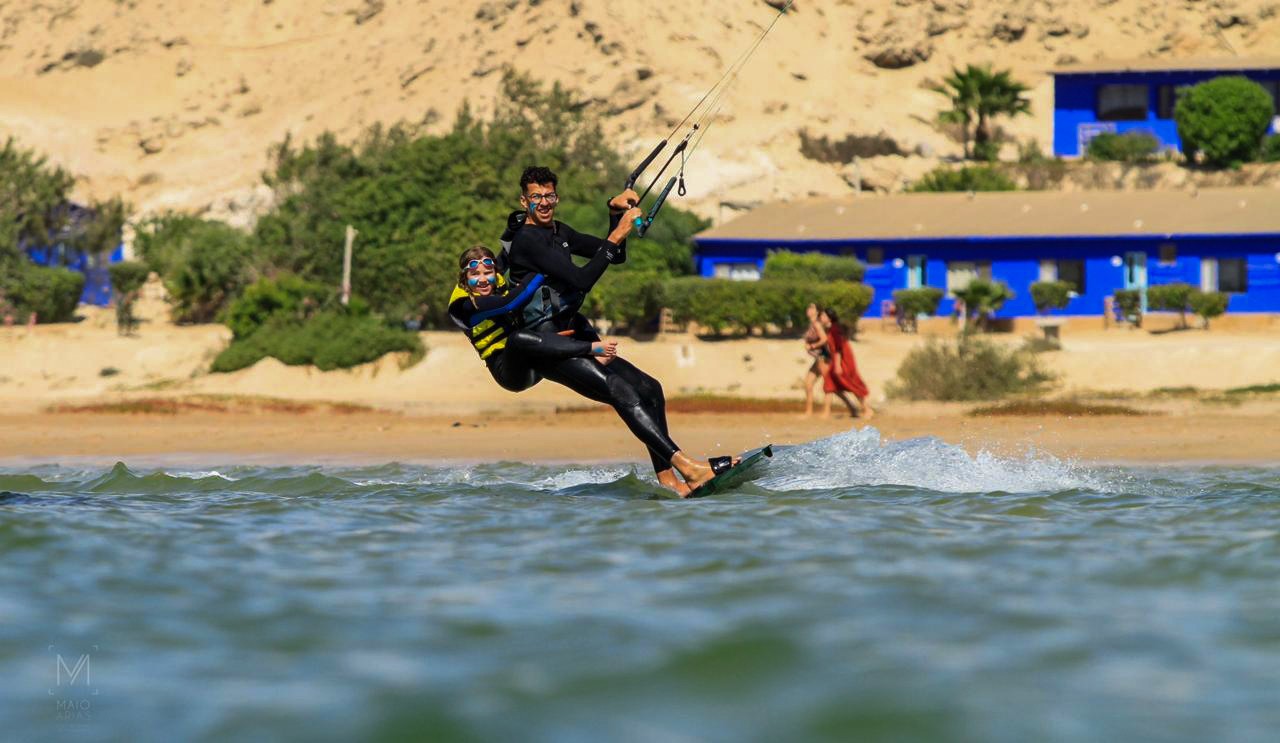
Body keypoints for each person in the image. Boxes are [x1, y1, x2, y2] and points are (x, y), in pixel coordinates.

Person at [504, 165, 732, 495]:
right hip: (548, 343)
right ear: (524, 201)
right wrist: (617, 233)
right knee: (620, 390)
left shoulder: (560, 232)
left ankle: (670, 482)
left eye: (549, 195)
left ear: (557, 196)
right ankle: (689, 468)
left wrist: (614, 215)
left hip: (574, 333)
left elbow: (615, 255)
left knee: (650, 389)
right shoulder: (527, 240)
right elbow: (582, 279)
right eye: (536, 197)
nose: (544, 203)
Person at [448, 246, 618, 392]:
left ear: (495, 272)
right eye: (475, 274)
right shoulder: (467, 306)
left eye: (487, 273)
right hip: (512, 374)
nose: (483, 279)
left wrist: (517, 228)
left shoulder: (493, 280)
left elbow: (508, 251)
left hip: (535, 356)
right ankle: (589, 348)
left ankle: (598, 356)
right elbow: (509, 303)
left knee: (572, 316)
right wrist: (541, 270)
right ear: (465, 278)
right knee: (517, 338)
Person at [821, 307, 876, 420]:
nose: (821, 318)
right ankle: (829, 412)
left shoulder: (834, 329)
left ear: (829, 318)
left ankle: (867, 409)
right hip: (837, 359)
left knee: (852, 383)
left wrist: (837, 365)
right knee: (830, 384)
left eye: (823, 316)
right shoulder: (830, 329)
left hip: (843, 360)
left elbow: (838, 348)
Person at [801, 303, 830, 417]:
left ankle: (826, 412)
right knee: (808, 383)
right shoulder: (812, 324)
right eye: (808, 307)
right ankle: (809, 411)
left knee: (828, 385)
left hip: (823, 359)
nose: (808, 309)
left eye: (811, 308)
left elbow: (824, 339)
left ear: (817, 311)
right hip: (817, 360)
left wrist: (812, 346)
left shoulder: (817, 324)